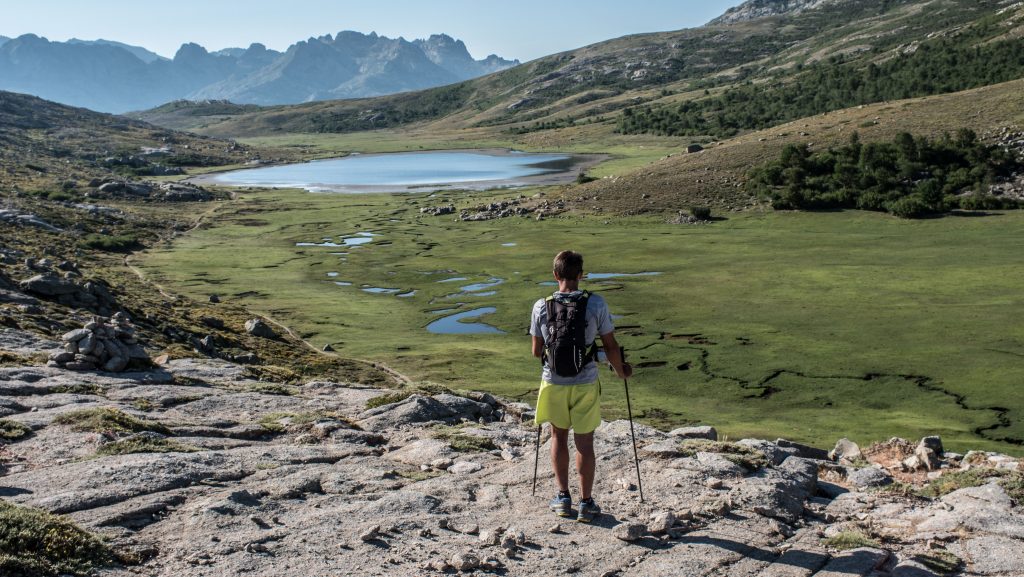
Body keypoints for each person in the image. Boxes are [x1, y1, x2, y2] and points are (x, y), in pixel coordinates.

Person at [530, 250, 632, 523]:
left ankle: (563, 498)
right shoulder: (596, 304)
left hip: (553, 382)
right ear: (580, 275)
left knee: (558, 437)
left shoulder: (541, 306)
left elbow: (535, 351)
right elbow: (610, 345)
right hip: (585, 382)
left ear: (555, 275)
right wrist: (620, 370)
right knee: (584, 442)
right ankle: (586, 503)